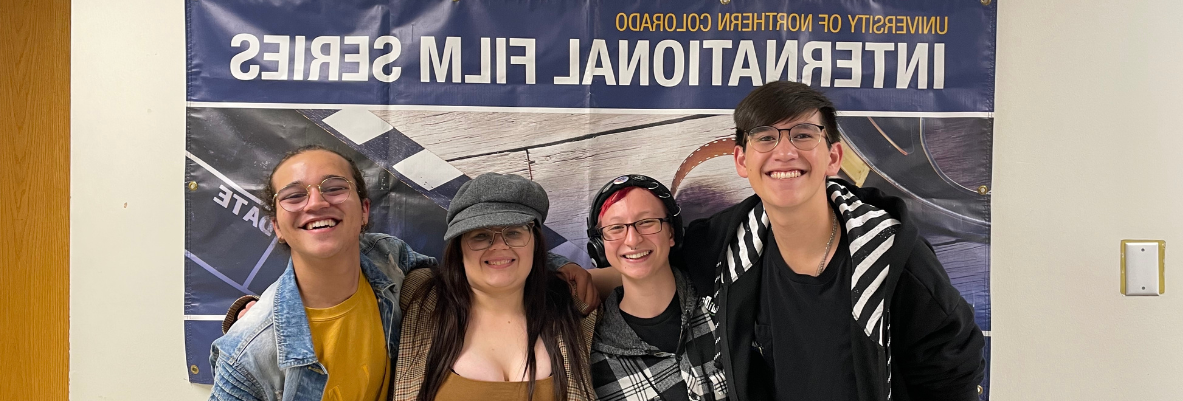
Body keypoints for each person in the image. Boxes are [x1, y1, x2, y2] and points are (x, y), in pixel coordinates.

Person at [674, 81, 986, 401]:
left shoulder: (896, 262)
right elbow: (649, 263)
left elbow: (954, 376)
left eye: (804, 135)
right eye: (766, 137)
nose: (784, 152)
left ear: (833, 157)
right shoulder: (722, 245)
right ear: (742, 161)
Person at [208, 146, 596, 401]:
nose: (316, 202)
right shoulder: (248, 353)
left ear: (363, 212)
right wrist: (255, 314)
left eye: (333, 187)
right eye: (294, 195)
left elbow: (480, 271)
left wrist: (560, 267)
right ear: (276, 224)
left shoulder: (390, 264)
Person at [395, 172, 596, 401]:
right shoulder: (417, 295)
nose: (499, 246)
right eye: (481, 235)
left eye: (513, 232)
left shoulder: (572, 304)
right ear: (459, 248)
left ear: (535, 242)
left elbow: (637, 276)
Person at [585, 175, 727, 401]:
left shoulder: (724, 304)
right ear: (600, 247)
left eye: (647, 222)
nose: (632, 240)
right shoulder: (594, 358)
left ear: (671, 233)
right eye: (616, 227)